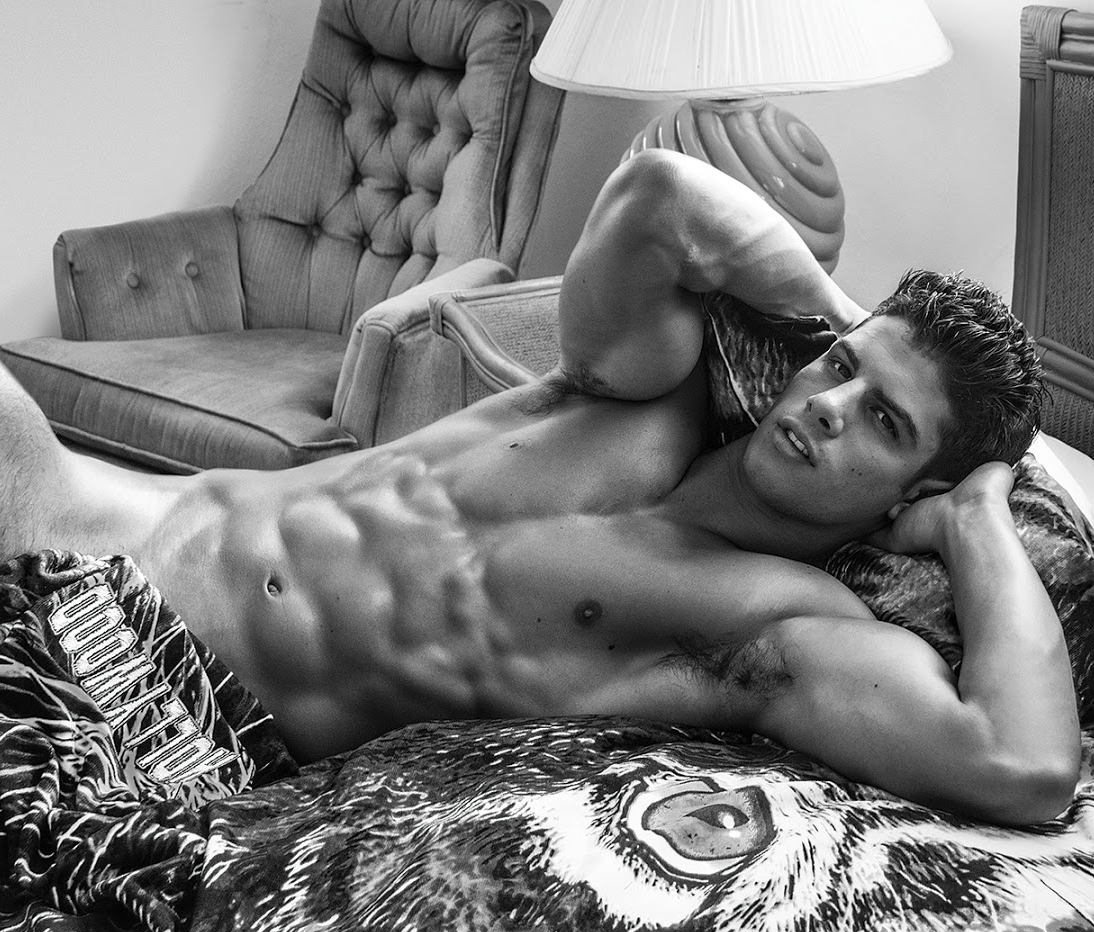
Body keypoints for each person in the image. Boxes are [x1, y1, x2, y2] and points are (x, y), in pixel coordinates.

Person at [0, 149, 1078, 824]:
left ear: (909, 494)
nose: (831, 405)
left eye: (884, 423)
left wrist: (979, 513)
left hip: (152, 681)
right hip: (95, 509)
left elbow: (1023, 765)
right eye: (840, 366)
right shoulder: (645, 393)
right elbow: (660, 196)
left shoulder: (775, 624)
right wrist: (841, 320)